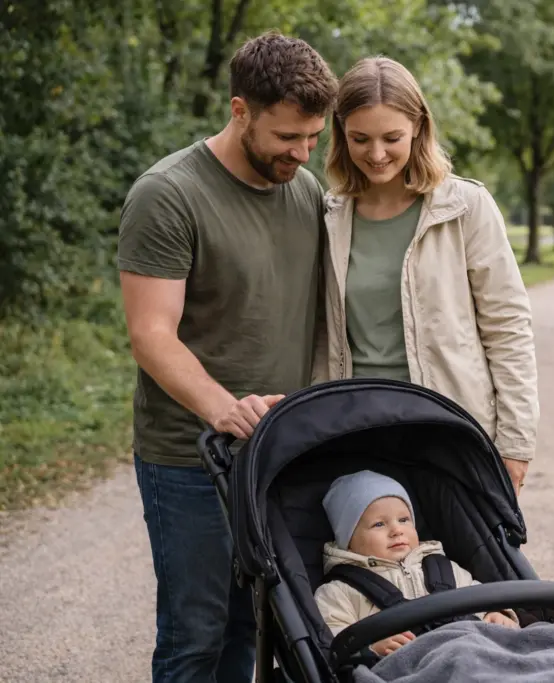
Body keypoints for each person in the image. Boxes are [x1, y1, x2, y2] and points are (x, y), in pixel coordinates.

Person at [117, 31, 338, 683]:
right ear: (240, 111)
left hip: (275, 454)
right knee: (196, 632)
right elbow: (151, 332)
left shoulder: (303, 191)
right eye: (287, 137)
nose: (300, 153)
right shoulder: (169, 194)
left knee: (254, 622)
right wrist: (223, 408)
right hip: (188, 455)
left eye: (312, 138)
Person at [313, 56, 538, 494]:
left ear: (418, 126)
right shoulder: (330, 214)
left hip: (449, 429)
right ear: (341, 133)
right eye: (360, 139)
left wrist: (514, 443)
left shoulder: (465, 207)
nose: (376, 155)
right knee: (369, 559)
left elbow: (508, 327)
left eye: (391, 138)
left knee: (456, 556)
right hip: (355, 430)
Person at [314, 471, 519, 655]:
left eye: (404, 520)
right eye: (379, 524)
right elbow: (334, 638)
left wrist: (495, 614)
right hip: (408, 666)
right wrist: (370, 649)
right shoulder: (339, 591)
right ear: (347, 541)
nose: (397, 530)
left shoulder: (444, 568)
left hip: (469, 647)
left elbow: (476, 597)